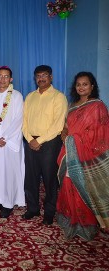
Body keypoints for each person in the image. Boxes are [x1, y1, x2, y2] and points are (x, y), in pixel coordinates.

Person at [56, 72, 109, 240]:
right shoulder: (72, 106)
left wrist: (73, 139)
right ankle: (72, 220)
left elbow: (100, 133)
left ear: (92, 86)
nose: (81, 87)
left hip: (86, 156)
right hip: (70, 153)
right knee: (68, 184)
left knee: (85, 187)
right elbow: (66, 126)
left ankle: (88, 224)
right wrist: (64, 134)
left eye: (85, 84)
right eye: (78, 84)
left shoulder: (97, 106)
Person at [22, 65, 68, 225]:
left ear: (51, 77)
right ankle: (33, 209)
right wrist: (29, 139)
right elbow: (24, 122)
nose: (41, 79)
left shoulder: (59, 97)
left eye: (44, 75)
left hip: (50, 142)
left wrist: (38, 140)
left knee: (49, 179)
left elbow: (58, 125)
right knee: (30, 178)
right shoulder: (29, 97)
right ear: (35, 78)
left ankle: (49, 212)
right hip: (30, 141)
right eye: (38, 76)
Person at [0, 66, 25, 218]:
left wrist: (5, 138)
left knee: (9, 173)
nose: (2, 79)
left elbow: (18, 120)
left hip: (10, 142)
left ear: (11, 79)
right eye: (0, 76)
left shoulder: (16, 96)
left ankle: (7, 204)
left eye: (6, 76)